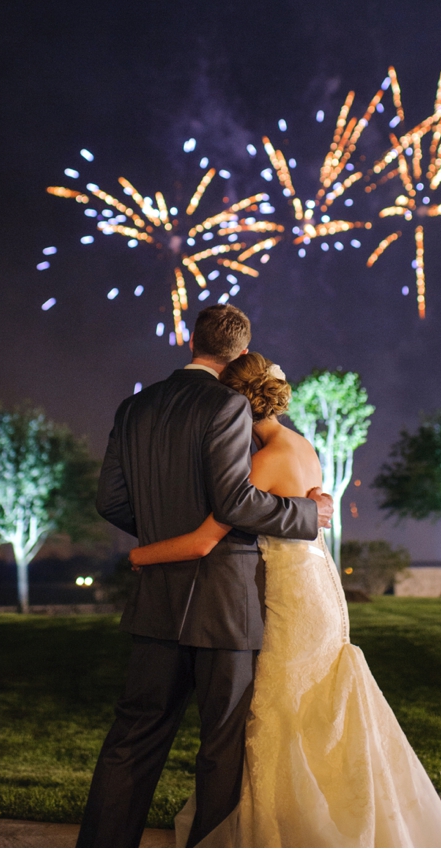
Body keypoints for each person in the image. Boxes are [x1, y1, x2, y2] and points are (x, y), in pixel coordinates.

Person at [130, 351, 441, 849]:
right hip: (317, 589)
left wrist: (141, 555)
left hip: (293, 602)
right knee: (311, 708)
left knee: (281, 711)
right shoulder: (300, 445)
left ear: (236, 405)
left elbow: (206, 540)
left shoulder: (264, 461)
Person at [76, 305, 333, 849]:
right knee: (222, 746)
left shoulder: (134, 406)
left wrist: (161, 537)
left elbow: (111, 501)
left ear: (190, 342)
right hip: (226, 602)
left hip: (157, 600)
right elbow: (236, 502)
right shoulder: (230, 405)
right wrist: (309, 515)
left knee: (134, 737)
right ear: (241, 354)